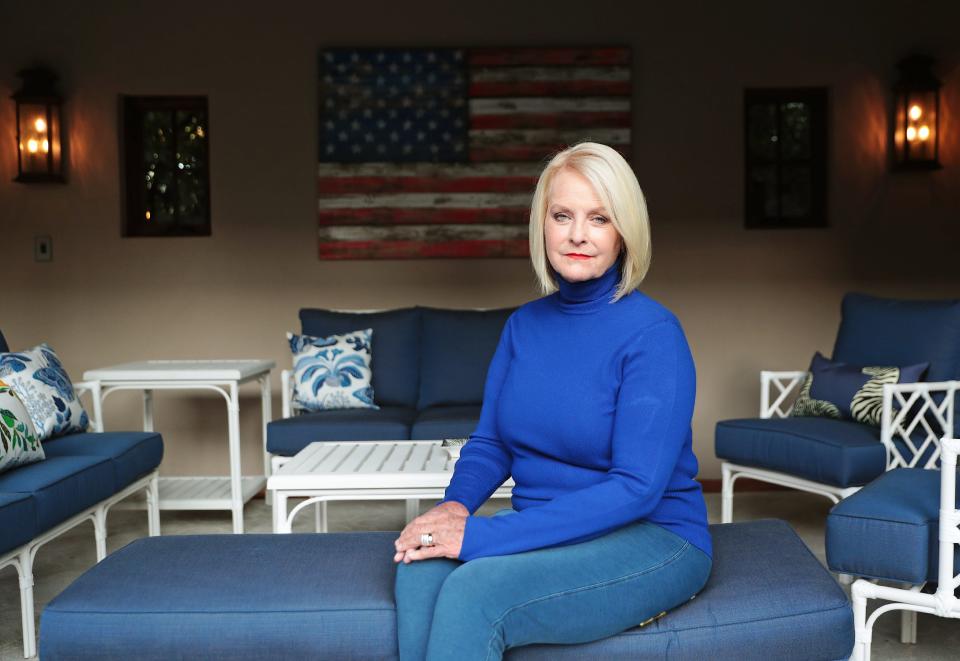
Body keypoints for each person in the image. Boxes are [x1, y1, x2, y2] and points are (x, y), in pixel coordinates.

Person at [393, 142, 712, 660]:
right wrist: (454, 508)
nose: (578, 234)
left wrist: (481, 538)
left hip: (653, 538)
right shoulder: (523, 326)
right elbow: (493, 441)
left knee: (476, 594)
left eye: (599, 218)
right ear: (542, 226)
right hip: (548, 528)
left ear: (625, 231)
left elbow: (636, 489)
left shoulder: (654, 335)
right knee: (420, 565)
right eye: (562, 215)